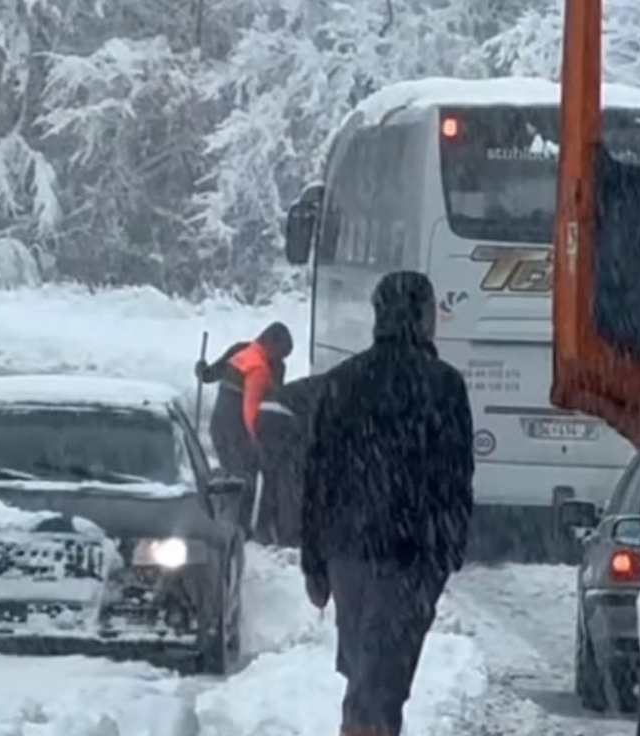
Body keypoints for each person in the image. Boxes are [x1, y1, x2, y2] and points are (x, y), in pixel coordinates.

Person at [300, 271, 475, 736]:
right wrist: (447, 551)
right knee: (384, 681)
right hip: (413, 556)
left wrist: (314, 562)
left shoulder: (341, 383)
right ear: (424, 319)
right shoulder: (444, 386)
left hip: (349, 551)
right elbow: (457, 478)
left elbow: (317, 477)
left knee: (366, 672)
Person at [195, 322, 293, 529]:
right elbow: (212, 376)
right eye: (281, 353)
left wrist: (203, 372)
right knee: (244, 478)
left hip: (227, 426)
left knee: (238, 476)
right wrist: (202, 371)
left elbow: (210, 376)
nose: (280, 359)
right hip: (237, 428)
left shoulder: (247, 355)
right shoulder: (250, 357)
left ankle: (231, 523)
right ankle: (238, 528)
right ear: (269, 342)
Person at [255, 373, 326, 547]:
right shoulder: (335, 392)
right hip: (281, 419)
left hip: (264, 414)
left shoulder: (325, 382)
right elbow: (314, 423)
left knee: (272, 477)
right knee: (290, 481)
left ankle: (263, 529)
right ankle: (289, 535)